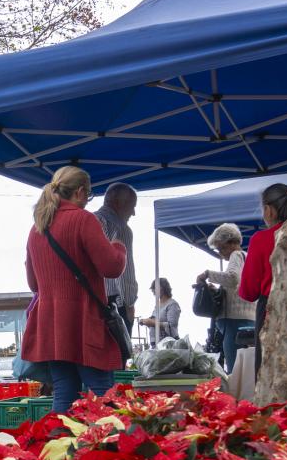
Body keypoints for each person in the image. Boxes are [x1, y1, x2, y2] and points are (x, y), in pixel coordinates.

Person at [21, 166, 127, 413]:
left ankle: (61, 438)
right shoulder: (83, 220)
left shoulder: (37, 229)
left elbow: (34, 285)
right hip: (84, 322)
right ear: (80, 192)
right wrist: (118, 247)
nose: (87, 201)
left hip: (52, 327)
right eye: (88, 195)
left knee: (64, 392)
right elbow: (111, 267)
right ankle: (108, 438)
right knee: (102, 392)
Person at [239, 181, 287, 376]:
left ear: (269, 210)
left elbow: (248, 292)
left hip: (271, 311)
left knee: (268, 373)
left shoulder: (262, 239)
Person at [199, 223, 258, 369]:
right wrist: (220, 288)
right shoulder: (248, 257)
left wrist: (208, 274)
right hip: (250, 318)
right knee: (248, 368)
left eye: (222, 248)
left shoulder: (236, 255)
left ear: (231, 243)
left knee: (234, 369)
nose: (221, 253)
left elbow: (232, 278)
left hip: (233, 320)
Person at [95, 183, 138, 327]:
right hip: (115, 303)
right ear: (119, 203)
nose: (133, 213)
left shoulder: (89, 220)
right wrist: (129, 304)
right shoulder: (122, 229)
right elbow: (125, 274)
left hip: (91, 300)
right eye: (132, 206)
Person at [139, 278, 180, 344]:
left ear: (161, 288)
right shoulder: (157, 305)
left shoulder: (172, 304)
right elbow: (155, 321)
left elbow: (172, 326)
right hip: (156, 343)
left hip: (169, 344)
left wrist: (152, 323)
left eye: (154, 288)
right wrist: (146, 321)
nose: (153, 292)